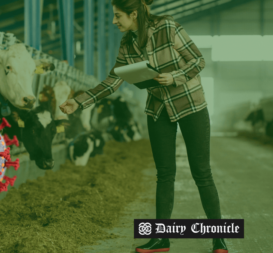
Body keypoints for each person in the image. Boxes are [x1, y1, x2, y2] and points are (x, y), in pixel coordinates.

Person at [59, 0, 228, 253]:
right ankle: (161, 239)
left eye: (118, 16)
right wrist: (79, 102)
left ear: (134, 14)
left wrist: (175, 77)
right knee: (164, 173)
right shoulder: (127, 44)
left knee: (201, 173)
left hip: (191, 105)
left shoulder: (168, 27)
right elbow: (113, 81)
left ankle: (219, 239)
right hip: (158, 109)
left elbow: (197, 60)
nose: (115, 21)